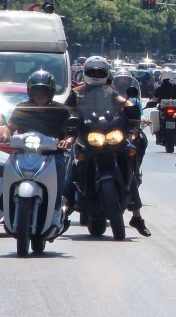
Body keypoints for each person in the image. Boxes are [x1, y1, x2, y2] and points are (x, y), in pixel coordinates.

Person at [65, 56, 151, 237]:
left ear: (105, 74)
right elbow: (67, 112)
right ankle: (63, 211)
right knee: (71, 167)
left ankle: (136, 215)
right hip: (85, 138)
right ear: (85, 73)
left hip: (109, 136)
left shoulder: (110, 91)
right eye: (92, 72)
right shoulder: (76, 92)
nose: (96, 75)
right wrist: (67, 124)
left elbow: (125, 103)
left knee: (128, 158)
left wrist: (132, 111)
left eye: (99, 72)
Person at [0, 70, 72, 230]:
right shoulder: (22, 108)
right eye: (36, 92)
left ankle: (56, 210)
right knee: (8, 167)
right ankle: (8, 207)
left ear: (50, 93)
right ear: (30, 92)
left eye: (43, 92)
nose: (40, 96)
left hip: (52, 154)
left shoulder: (61, 110)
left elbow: (70, 133)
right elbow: (9, 126)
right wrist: (4, 135)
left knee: (60, 167)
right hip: (24, 152)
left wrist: (67, 141)